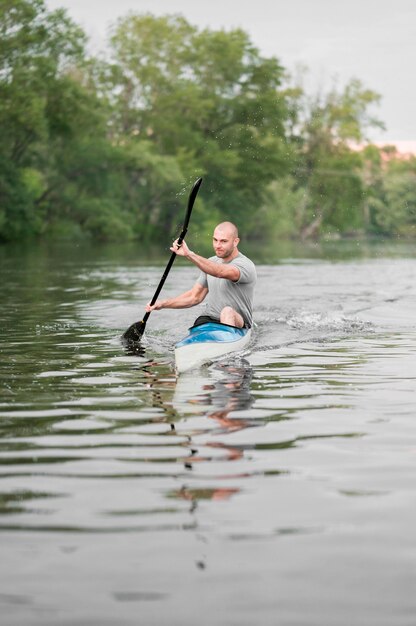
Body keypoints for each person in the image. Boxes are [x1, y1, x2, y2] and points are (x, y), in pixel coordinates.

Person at [145, 221, 256, 328]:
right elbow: (195, 297)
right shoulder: (210, 262)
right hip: (210, 319)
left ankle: (226, 342)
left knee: (227, 312)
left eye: (223, 241)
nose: (217, 245)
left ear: (235, 242)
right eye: (215, 240)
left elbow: (220, 272)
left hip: (238, 322)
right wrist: (162, 304)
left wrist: (189, 254)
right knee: (199, 323)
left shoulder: (245, 265)